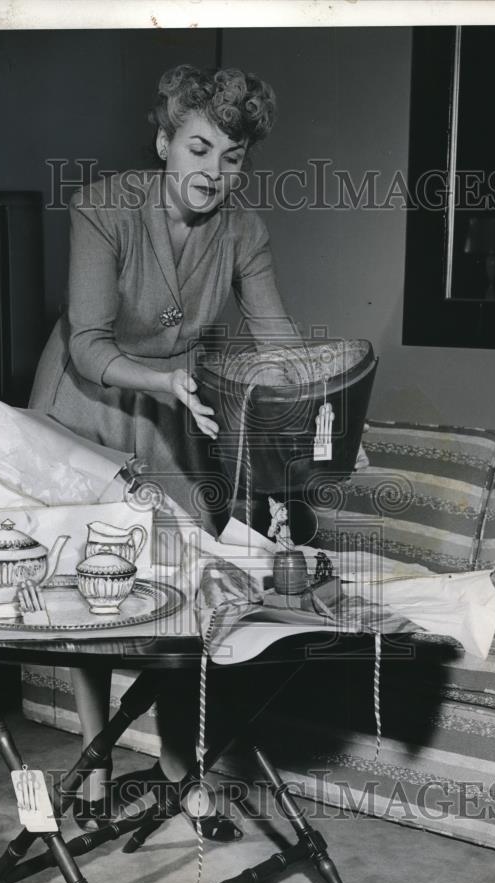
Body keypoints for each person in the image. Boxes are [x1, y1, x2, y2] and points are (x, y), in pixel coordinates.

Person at [30, 64, 298, 836]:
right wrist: (164, 378)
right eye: (198, 149)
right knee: (93, 584)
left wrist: (305, 409)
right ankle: (94, 760)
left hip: (172, 403)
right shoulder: (103, 207)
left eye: (231, 157)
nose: (212, 173)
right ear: (164, 141)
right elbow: (85, 345)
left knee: (186, 584)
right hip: (88, 396)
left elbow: (277, 339)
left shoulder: (245, 232)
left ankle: (180, 767)